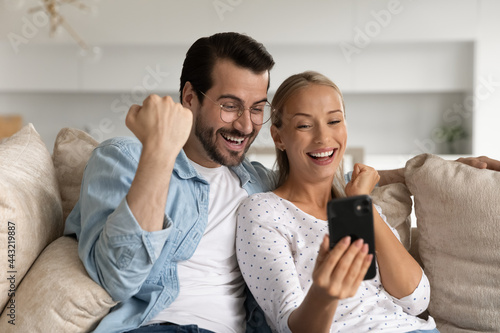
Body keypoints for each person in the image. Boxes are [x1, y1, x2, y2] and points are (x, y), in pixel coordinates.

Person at [64, 31, 500, 333]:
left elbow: (320, 174)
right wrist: (160, 149)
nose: (244, 124)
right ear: (190, 99)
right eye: (230, 105)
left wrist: (440, 172)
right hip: (157, 327)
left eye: (257, 108)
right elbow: (117, 277)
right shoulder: (125, 158)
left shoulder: (252, 180)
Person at [236, 71, 440, 333]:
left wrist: (362, 206)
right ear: (278, 137)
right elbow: (291, 327)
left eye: (334, 121)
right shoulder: (263, 210)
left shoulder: (362, 207)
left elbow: (416, 300)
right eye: (304, 125)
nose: (323, 137)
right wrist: (325, 292)